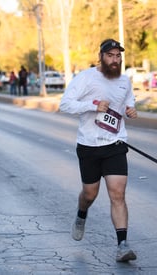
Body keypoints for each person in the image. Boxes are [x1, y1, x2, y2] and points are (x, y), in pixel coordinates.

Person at [59, 38, 138, 262]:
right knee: (89, 194)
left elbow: (128, 104)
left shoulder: (124, 81)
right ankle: (81, 213)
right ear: (101, 57)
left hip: (115, 145)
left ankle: (122, 245)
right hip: (89, 146)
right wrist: (92, 105)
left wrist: (131, 110)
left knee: (117, 194)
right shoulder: (85, 78)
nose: (115, 60)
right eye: (110, 55)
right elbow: (65, 104)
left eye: (118, 56)